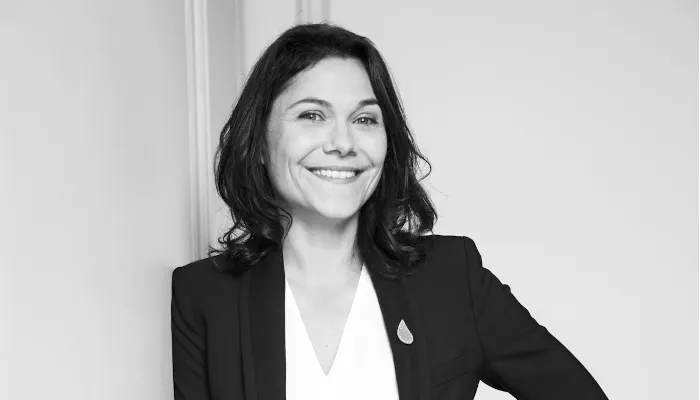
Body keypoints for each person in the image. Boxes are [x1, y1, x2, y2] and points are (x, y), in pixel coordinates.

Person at [171, 22, 609, 400]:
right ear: (259, 143)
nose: (343, 143)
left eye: (364, 119)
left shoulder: (453, 278)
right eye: (312, 115)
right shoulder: (204, 294)